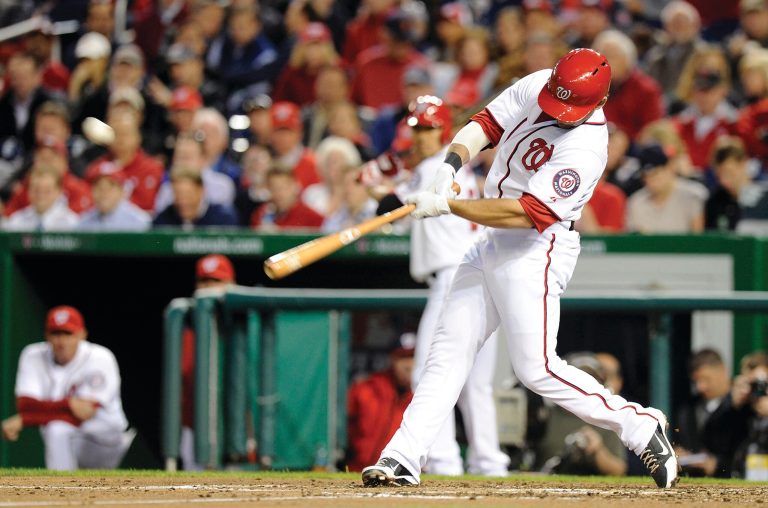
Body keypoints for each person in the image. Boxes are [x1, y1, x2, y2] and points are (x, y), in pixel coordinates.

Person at [361, 48, 679, 490]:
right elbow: (486, 124)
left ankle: (640, 425)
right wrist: (449, 167)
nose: (560, 112)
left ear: (601, 102)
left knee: (538, 369)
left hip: (536, 247)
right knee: (447, 352)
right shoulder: (541, 84)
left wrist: (449, 204)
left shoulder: (587, 148)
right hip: (488, 240)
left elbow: (526, 214)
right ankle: (402, 456)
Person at [377, 95, 510, 476]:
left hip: (454, 278)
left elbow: (398, 208)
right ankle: (489, 462)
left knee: (428, 373)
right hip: (481, 273)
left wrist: (380, 198)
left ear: (444, 131)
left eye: (430, 128)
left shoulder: (436, 167)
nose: (422, 137)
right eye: (418, 129)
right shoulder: (458, 171)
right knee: (475, 383)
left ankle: (444, 459)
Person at [0, 306, 132, 470]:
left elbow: (85, 413)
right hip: (66, 435)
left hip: (103, 440)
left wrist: (26, 419)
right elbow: (26, 406)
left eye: (68, 334)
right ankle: (61, 491)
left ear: (82, 334)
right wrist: (69, 404)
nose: (61, 341)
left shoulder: (100, 357)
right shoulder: (32, 355)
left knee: (57, 428)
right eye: (56, 334)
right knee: (56, 429)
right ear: (46, 335)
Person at [178, 254, 236, 470]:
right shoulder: (185, 325)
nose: (209, 288)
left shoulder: (246, 322)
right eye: (204, 282)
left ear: (231, 284)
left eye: (216, 282)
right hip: (195, 426)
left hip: (235, 427)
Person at [535, 352, 627, 476]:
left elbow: (619, 470)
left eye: (591, 379)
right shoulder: (544, 413)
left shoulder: (606, 416)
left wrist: (598, 451)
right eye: (577, 380)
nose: (582, 387)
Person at [675, 349, 750, 478]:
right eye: (696, 381)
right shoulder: (688, 410)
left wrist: (717, 465)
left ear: (722, 371)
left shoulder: (745, 405)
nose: (700, 387)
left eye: (706, 379)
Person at [346, 334, 416, 472]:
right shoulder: (366, 388)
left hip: (402, 474)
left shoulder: (426, 397)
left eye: (413, 357)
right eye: (402, 357)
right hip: (358, 471)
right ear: (392, 359)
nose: (408, 365)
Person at [626, 144, 707, 234]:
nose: (651, 180)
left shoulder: (692, 196)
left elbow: (698, 240)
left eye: (656, 173)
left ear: (670, 167)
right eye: (646, 176)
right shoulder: (636, 202)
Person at [153, 168, 239, 230]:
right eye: (178, 195)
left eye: (188, 194)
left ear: (201, 190)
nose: (183, 201)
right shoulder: (163, 219)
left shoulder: (223, 218)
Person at [77, 160, 151, 231]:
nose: (104, 192)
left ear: (122, 191)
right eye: (98, 186)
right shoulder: (83, 222)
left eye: (111, 186)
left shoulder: (139, 222)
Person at [3, 166, 79, 231]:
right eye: (36, 189)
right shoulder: (17, 221)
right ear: (28, 190)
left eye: (47, 190)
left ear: (58, 192)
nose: (41, 194)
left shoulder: (71, 223)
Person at [250, 168, 324, 230]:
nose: (279, 193)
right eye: (274, 188)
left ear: (295, 186)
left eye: (284, 187)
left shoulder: (312, 218)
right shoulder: (260, 215)